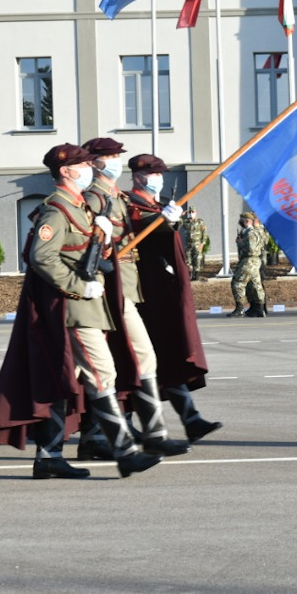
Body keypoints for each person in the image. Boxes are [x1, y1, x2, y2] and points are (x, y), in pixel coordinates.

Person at [0, 143, 161, 479]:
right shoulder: (56, 210)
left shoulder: (80, 207)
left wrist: (104, 242)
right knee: (101, 372)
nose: (89, 169)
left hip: (89, 305)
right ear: (65, 171)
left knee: (67, 379)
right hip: (74, 307)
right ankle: (124, 452)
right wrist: (79, 286)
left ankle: (49, 457)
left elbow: (79, 252)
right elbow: (41, 257)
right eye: (82, 164)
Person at [78, 139, 191, 460]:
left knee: (131, 361)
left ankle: (132, 435)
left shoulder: (114, 195)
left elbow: (136, 227)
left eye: (117, 156)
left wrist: (164, 219)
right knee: (110, 366)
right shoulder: (94, 197)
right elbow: (90, 241)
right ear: (95, 162)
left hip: (125, 287)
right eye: (110, 157)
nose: (115, 161)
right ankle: (104, 438)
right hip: (105, 290)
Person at [124, 152, 223, 444]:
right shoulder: (131, 203)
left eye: (160, 174)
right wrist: (162, 220)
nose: (159, 178)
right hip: (140, 293)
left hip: (158, 292)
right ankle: (124, 426)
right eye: (154, 174)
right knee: (133, 361)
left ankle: (190, 418)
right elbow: (135, 228)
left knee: (166, 354)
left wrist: (168, 221)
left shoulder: (152, 205)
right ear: (139, 177)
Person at [230, 212, 268, 317]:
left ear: (247, 221)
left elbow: (252, 249)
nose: (241, 222)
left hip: (249, 261)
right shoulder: (254, 231)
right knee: (254, 285)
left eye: (242, 220)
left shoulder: (250, 233)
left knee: (237, 283)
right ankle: (258, 309)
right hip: (254, 261)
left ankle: (239, 308)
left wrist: (240, 243)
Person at [179, 205, 207, 280]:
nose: (192, 213)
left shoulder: (200, 222)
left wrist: (203, 243)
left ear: (196, 212)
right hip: (189, 244)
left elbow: (204, 232)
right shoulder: (186, 222)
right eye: (190, 212)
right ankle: (190, 274)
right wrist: (182, 214)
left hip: (197, 244)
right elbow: (178, 221)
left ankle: (196, 274)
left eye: (193, 212)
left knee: (197, 259)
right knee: (188, 260)